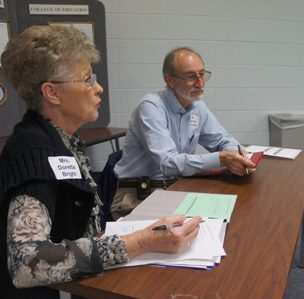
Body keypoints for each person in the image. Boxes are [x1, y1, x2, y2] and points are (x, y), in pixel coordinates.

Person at [0, 26, 201, 298]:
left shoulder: (61, 139)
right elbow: (26, 262)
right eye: (86, 80)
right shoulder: (33, 150)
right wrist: (139, 241)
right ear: (52, 93)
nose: (98, 88)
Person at [112, 47, 256, 219]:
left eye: (202, 75)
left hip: (175, 187)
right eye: (191, 76)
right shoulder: (151, 107)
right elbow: (168, 163)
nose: (200, 83)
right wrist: (222, 158)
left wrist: (237, 154)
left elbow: (221, 139)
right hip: (138, 194)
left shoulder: (196, 106)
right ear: (170, 80)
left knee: (233, 216)